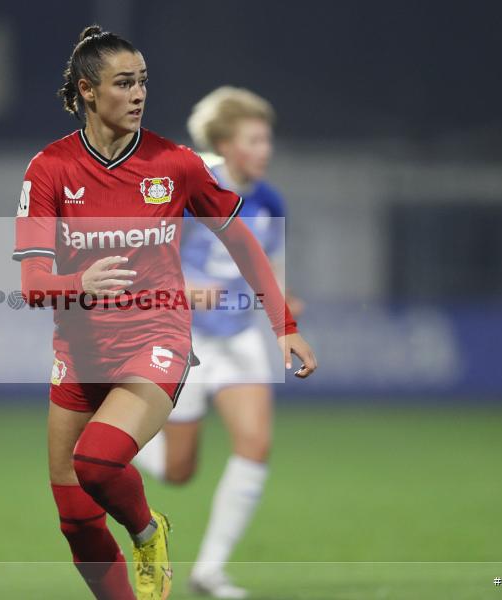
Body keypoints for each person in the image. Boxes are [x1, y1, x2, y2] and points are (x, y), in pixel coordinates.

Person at [12, 26, 317, 600]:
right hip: (77, 352)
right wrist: (79, 282)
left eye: (143, 82)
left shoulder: (173, 164)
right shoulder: (48, 170)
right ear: (86, 90)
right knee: (76, 521)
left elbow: (244, 243)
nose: (138, 94)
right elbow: (31, 286)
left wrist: (284, 324)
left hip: (158, 339)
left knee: (98, 463)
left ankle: (149, 533)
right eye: (124, 83)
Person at [134, 87, 300, 598]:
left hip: (239, 337)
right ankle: (118, 443)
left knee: (255, 444)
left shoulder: (270, 199)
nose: (266, 148)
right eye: (255, 138)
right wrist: (182, 287)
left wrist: (284, 303)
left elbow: (267, 265)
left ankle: (210, 571)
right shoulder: (186, 190)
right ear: (225, 145)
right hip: (181, 341)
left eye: (267, 138)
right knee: (180, 472)